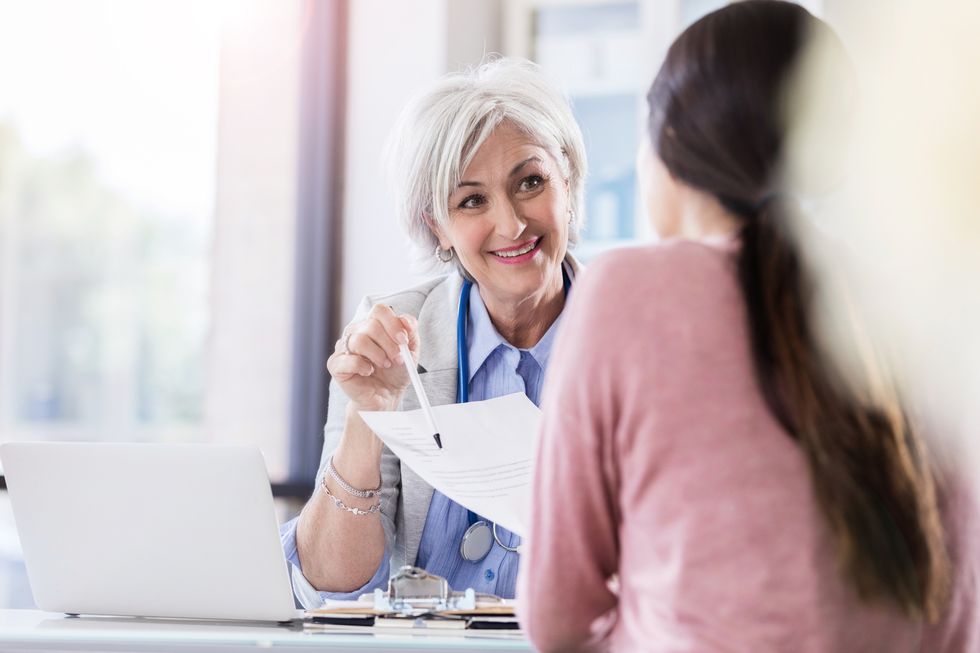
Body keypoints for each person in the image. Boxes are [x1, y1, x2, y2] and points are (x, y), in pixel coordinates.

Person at [518, 2, 978, 651]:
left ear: (669, 145)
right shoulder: (906, 300)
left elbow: (556, 614)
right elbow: (958, 609)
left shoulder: (624, 291)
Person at [279, 57, 587, 606]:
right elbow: (330, 584)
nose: (512, 225)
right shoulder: (391, 333)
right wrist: (368, 415)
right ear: (437, 228)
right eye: (471, 201)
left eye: (531, 182)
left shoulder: (640, 339)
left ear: (567, 184)